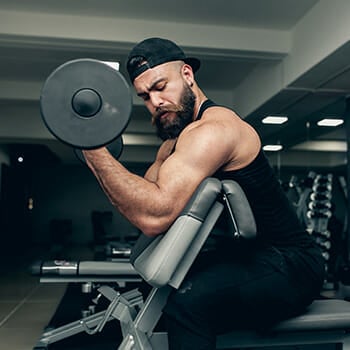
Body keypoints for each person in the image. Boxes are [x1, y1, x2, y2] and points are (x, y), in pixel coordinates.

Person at [83, 37, 325, 350]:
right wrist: (95, 152)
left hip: (292, 264)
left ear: (187, 75)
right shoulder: (173, 143)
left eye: (160, 86)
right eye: (144, 96)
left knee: (188, 302)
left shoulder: (214, 130)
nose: (155, 102)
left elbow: (154, 215)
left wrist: (92, 150)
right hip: (248, 256)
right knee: (157, 291)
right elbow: (139, 205)